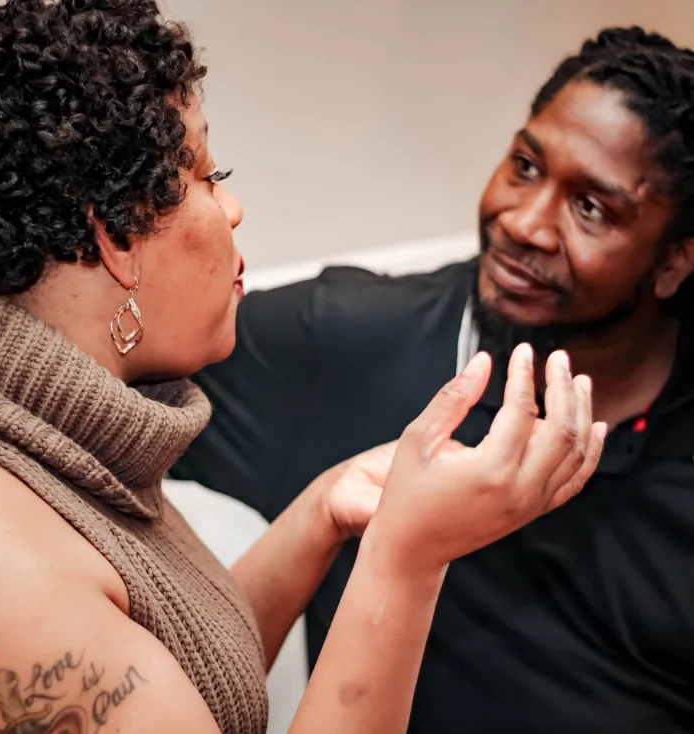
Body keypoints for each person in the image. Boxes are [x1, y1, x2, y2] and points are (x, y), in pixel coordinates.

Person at [0, 2, 604, 734]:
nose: (232, 208)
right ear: (116, 235)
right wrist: (408, 558)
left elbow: (177, 684)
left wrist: (324, 511)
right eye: (209, 175)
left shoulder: (53, 434)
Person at [173, 25, 694, 734]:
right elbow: (83, 390)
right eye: (525, 166)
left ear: (675, 263)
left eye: (591, 208)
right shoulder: (343, 344)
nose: (525, 222)